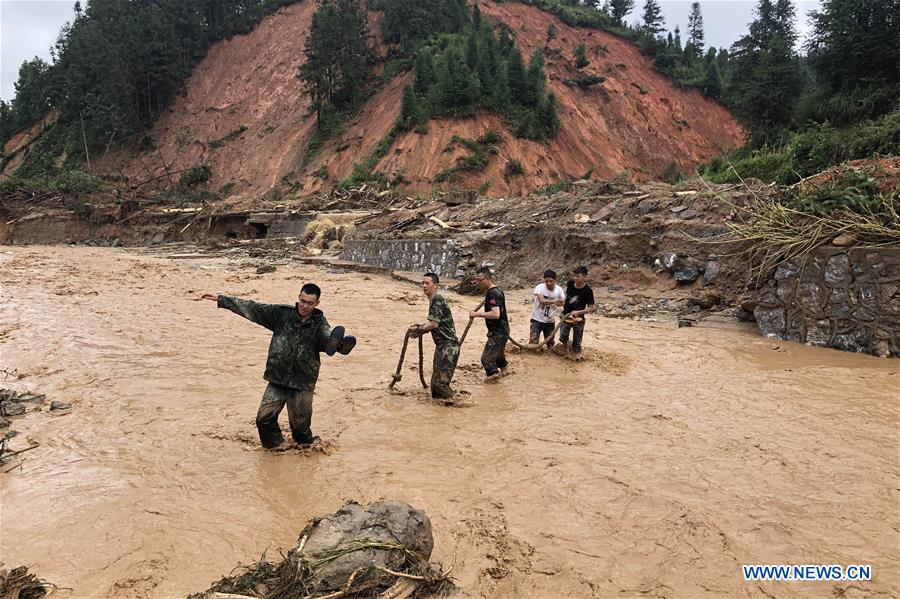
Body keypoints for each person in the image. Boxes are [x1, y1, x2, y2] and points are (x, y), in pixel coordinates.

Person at [200, 284, 355, 449]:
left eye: (309, 303)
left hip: (302, 383)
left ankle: (306, 454)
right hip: (277, 378)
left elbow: (326, 340)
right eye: (302, 301)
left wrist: (337, 346)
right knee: (263, 420)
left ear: (317, 303)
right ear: (298, 297)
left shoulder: (320, 324)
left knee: (301, 431)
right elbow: (254, 308)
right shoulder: (281, 314)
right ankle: (277, 452)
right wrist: (223, 299)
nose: (304, 306)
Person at [408, 273, 460, 400]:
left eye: (427, 283)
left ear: (436, 286)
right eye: (423, 283)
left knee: (440, 384)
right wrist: (420, 328)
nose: (424, 286)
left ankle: (461, 404)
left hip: (448, 346)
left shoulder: (437, 299)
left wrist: (418, 330)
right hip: (443, 346)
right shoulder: (434, 300)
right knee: (435, 389)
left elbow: (434, 324)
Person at [468, 267, 510, 382]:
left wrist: (477, 314)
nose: (477, 282)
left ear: (487, 279)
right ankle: (504, 369)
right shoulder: (495, 291)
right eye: (475, 279)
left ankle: (493, 377)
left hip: (499, 332)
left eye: (479, 280)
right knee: (498, 353)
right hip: (502, 330)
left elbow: (495, 314)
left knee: (486, 359)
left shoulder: (493, 293)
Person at [558, 266, 595, 356]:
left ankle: (575, 351)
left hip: (578, 318)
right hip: (566, 315)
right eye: (574, 276)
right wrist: (562, 302)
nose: (575, 278)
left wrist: (579, 312)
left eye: (577, 276)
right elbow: (567, 296)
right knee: (563, 337)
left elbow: (591, 308)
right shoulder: (570, 283)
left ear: (584, 277)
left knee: (577, 344)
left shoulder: (588, 291)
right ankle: (565, 348)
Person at [530, 269, 566, 347]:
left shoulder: (559, 289)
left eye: (551, 281)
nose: (548, 283)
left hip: (550, 320)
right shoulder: (540, 287)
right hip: (537, 319)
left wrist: (560, 303)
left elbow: (563, 302)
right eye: (546, 281)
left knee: (550, 344)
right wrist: (554, 301)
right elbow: (541, 300)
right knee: (533, 342)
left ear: (555, 280)